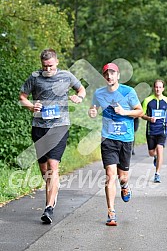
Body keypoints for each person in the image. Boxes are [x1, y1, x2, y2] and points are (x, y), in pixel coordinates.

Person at [19, 48, 86, 224]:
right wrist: (31, 106)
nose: (47, 69)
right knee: (44, 170)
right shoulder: (35, 77)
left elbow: (81, 90)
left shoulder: (66, 76)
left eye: (50, 66)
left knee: (52, 166)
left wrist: (79, 97)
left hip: (59, 126)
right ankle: (53, 189)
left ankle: (49, 208)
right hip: (39, 127)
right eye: (44, 66)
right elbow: (22, 97)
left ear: (56, 62)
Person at [88, 62, 143, 226]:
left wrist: (124, 112)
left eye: (112, 73)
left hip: (125, 139)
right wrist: (92, 112)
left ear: (118, 75)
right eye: (106, 74)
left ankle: (125, 185)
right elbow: (93, 109)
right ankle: (111, 212)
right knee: (110, 175)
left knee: (122, 176)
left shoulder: (128, 92)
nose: (109, 76)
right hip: (108, 138)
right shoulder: (99, 93)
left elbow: (139, 111)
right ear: (104, 76)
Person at [142, 79, 167, 183]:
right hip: (151, 130)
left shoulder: (166, 100)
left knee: (160, 148)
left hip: (162, 129)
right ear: (153, 88)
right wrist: (149, 118)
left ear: (163, 89)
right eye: (156, 87)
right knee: (152, 152)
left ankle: (157, 174)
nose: (158, 89)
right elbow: (141, 114)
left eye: (160, 87)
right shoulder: (147, 100)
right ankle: (155, 157)